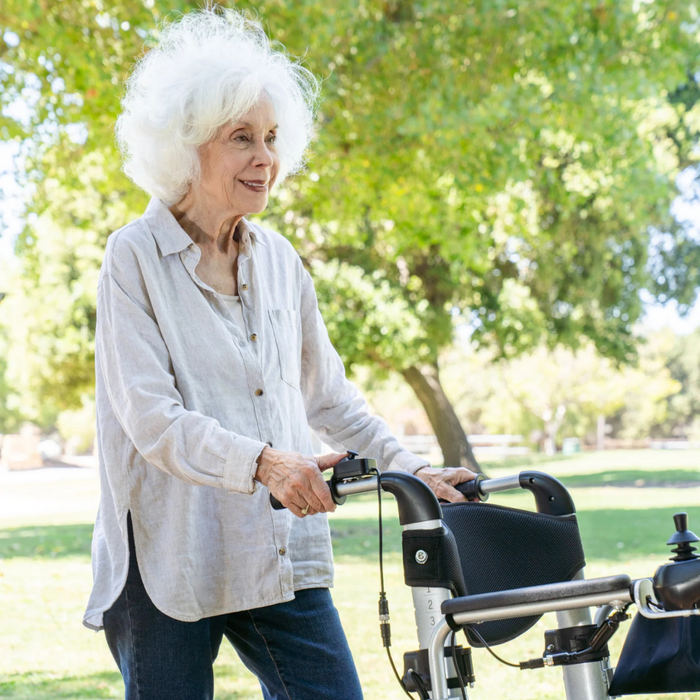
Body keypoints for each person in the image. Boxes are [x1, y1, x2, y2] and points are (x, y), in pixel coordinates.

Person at [83, 6, 477, 700]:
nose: (265, 158)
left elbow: (328, 399)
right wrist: (264, 463)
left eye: (271, 137)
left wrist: (412, 468)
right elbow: (151, 419)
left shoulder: (281, 262)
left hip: (274, 549)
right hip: (170, 554)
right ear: (187, 145)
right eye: (242, 138)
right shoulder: (133, 257)